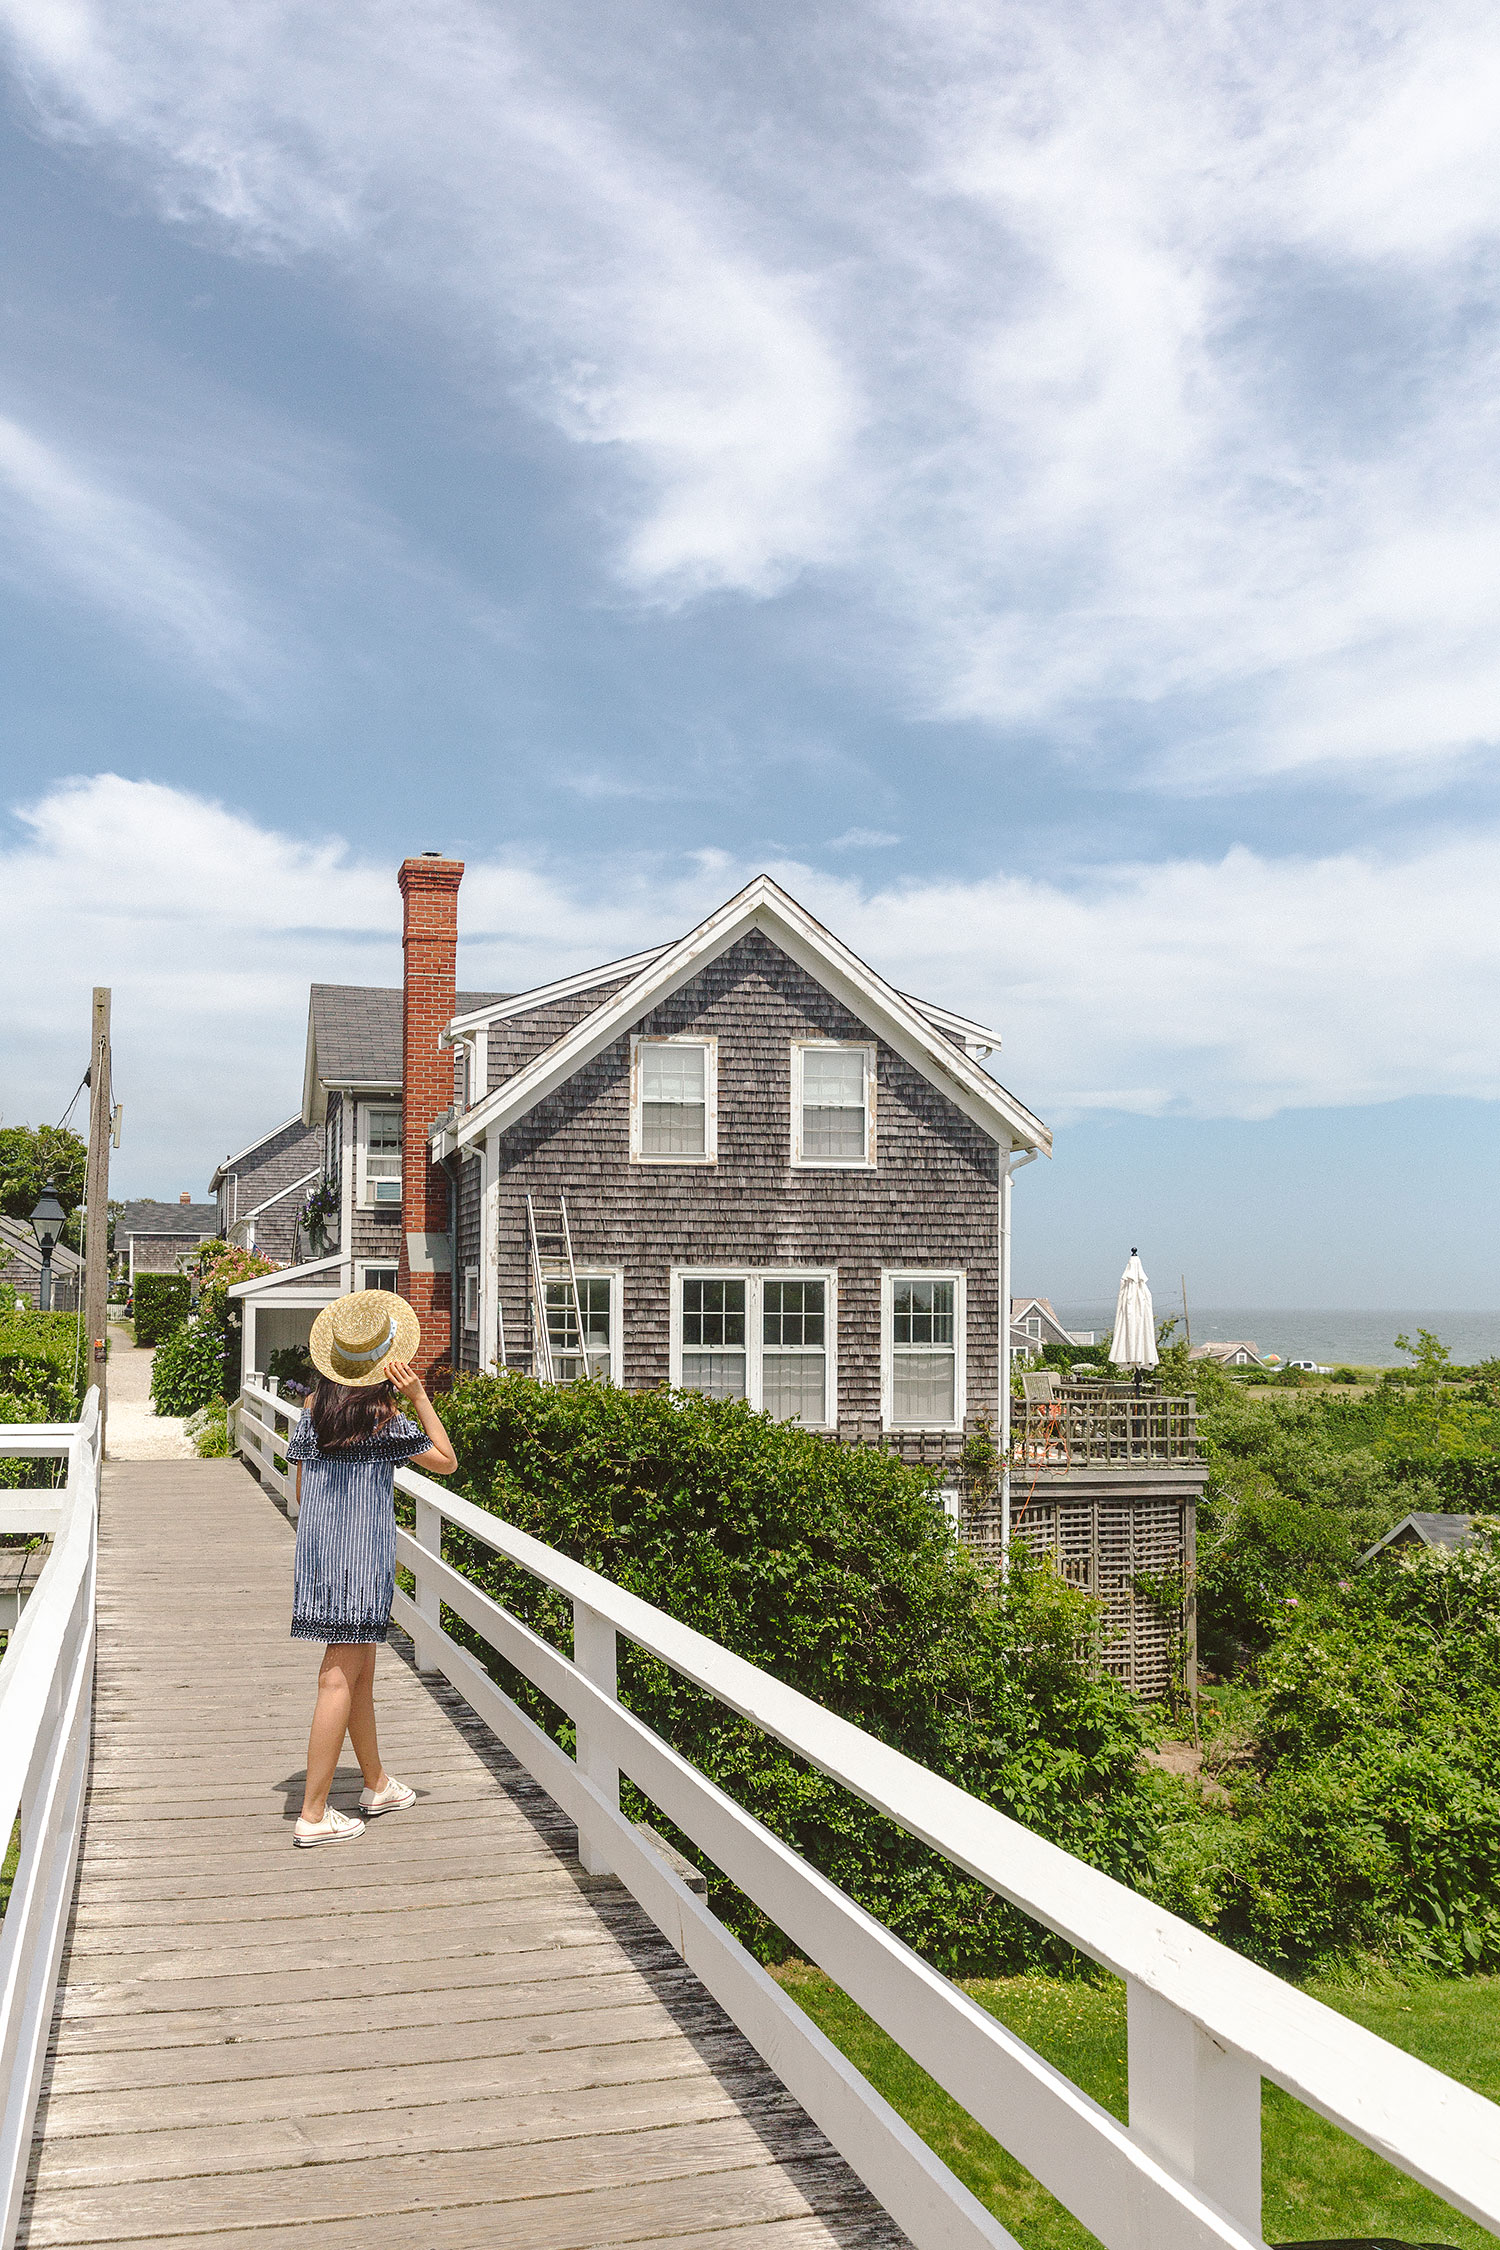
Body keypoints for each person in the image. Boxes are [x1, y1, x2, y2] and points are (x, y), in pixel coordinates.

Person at [286, 1289, 457, 1847]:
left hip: (319, 1557)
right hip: (361, 1559)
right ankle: (313, 1813)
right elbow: (447, 1461)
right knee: (338, 1675)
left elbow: (300, 1488)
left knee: (359, 1672)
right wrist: (418, 1394)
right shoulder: (384, 1422)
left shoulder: (311, 1412)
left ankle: (376, 1783)